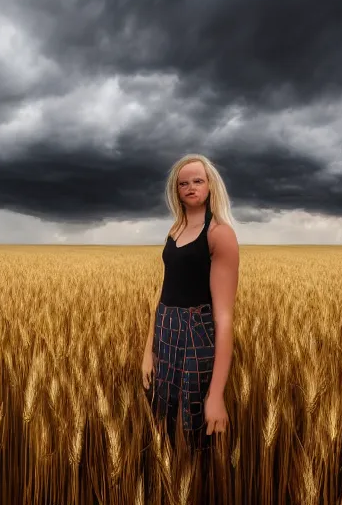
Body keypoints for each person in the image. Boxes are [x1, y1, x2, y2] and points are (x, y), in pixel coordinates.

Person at [141, 153, 239, 456]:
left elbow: (223, 318)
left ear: (210, 185)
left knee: (196, 428)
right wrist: (148, 350)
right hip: (166, 329)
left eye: (198, 180)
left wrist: (217, 395)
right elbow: (164, 294)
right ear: (176, 190)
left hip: (198, 332)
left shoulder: (220, 234)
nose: (190, 187)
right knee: (162, 417)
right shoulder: (175, 230)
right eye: (183, 183)